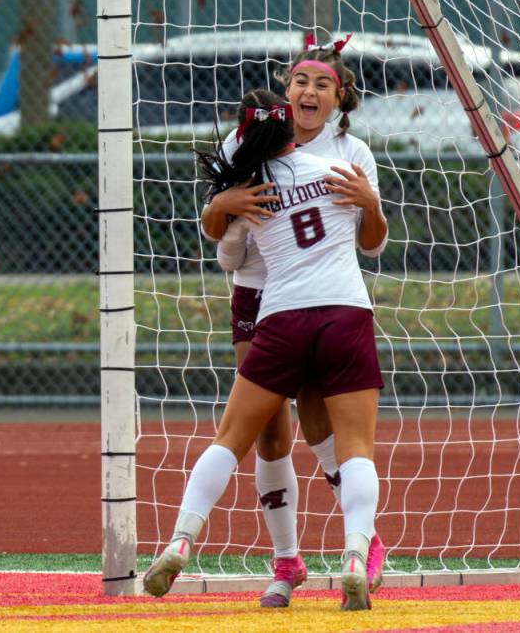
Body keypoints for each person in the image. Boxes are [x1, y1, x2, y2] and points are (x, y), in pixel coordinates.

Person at [144, 87, 387, 612]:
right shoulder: (335, 171)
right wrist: (369, 203)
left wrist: (223, 207)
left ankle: (181, 539)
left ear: (246, 135)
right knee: (356, 448)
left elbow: (228, 255)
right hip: (345, 311)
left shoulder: (248, 188)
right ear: (287, 126)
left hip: (278, 316)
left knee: (231, 438)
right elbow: (373, 240)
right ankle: (352, 553)